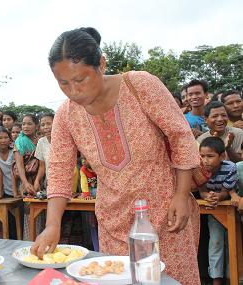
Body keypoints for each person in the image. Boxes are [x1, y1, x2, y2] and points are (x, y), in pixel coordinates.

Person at [31, 27, 201, 285]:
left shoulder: (139, 85)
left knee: (171, 279)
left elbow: (180, 135)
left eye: (80, 80)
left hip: (166, 214)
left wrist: (180, 194)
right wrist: (52, 224)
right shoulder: (66, 115)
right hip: (114, 222)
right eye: (63, 83)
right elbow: (60, 169)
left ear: (101, 64)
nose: (74, 91)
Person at [198, 137, 240, 285]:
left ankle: (231, 277)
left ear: (222, 156)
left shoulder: (230, 167)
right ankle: (216, 278)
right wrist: (208, 197)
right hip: (213, 208)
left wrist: (217, 197)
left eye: (210, 156)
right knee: (215, 242)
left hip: (229, 208)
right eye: (202, 156)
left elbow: (226, 192)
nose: (205, 160)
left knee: (231, 243)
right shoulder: (198, 169)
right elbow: (202, 191)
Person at [13, 114, 39, 196]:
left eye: (29, 124)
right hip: (24, 179)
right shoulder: (20, 141)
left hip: (38, 178)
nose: (25, 127)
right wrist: (25, 183)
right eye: (23, 124)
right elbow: (19, 164)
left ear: (36, 126)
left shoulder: (40, 140)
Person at [0, 127, 18, 198]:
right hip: (7, 190)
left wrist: (16, 192)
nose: (3, 140)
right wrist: (0, 193)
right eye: (0, 138)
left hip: (20, 188)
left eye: (6, 137)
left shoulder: (15, 151)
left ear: (10, 139)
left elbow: (16, 171)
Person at [34, 113, 54, 192]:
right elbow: (42, 166)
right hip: (50, 182)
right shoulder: (41, 142)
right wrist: (37, 180)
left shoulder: (64, 139)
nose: (46, 127)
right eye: (43, 125)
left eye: (49, 124)